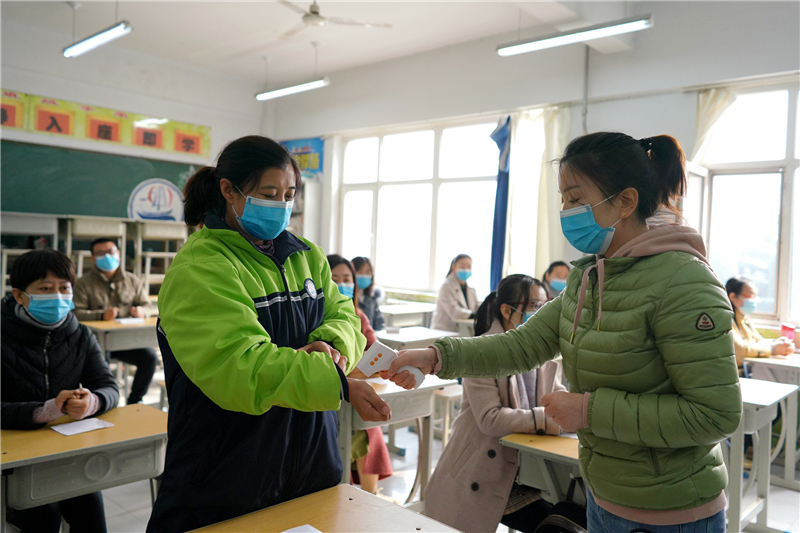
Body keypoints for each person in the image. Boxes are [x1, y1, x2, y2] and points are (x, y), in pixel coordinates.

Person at [387, 133, 742, 533]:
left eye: (575, 198)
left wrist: (587, 411)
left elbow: (715, 414)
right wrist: (437, 356)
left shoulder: (684, 282)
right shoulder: (589, 278)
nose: (566, 210)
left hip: (672, 511)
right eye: (563, 199)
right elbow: (519, 345)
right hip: (604, 497)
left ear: (625, 201)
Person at [146, 136, 391, 532]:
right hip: (226, 474)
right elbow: (241, 366)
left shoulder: (306, 255)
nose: (281, 204)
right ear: (229, 190)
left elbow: (345, 314)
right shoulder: (202, 267)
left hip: (312, 464)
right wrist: (337, 382)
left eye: (289, 193)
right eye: (268, 193)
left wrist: (331, 345)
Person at [425, 274, 564, 533]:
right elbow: (491, 418)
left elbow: (559, 397)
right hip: (483, 470)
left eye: (546, 306)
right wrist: (546, 418)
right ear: (506, 310)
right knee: (556, 524)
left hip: (527, 468)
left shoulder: (542, 353)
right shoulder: (483, 353)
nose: (541, 313)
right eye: (535, 306)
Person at [2, 249, 119, 533]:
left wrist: (92, 402)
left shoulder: (79, 334)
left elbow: (110, 387)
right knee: (43, 513)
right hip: (12, 461)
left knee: (91, 508)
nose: (57, 296)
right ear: (19, 295)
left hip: (65, 454)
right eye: (45, 288)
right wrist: (43, 411)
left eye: (64, 288)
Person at [328, 254, 393, 494]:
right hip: (328, 396)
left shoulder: (359, 316)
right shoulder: (317, 317)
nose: (342, 284)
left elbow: (377, 356)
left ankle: (370, 496)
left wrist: (355, 371)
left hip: (353, 393)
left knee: (369, 427)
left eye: (347, 279)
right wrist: (360, 370)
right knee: (365, 431)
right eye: (334, 278)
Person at [73, 238, 158, 405]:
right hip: (96, 343)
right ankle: (102, 402)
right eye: (100, 253)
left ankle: (135, 401)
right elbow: (75, 313)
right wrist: (101, 315)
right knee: (98, 365)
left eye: (111, 252)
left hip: (127, 341)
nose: (107, 256)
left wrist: (142, 311)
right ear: (93, 258)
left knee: (150, 357)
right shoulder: (83, 283)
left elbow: (147, 305)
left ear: (118, 254)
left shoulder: (133, 280)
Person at [726, 276, 794, 374]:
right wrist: (773, 348)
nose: (755, 300)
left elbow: (758, 340)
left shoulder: (744, 318)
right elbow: (739, 350)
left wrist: (776, 342)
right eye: (751, 296)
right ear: (733, 297)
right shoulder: (726, 319)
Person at [432, 254, 479, 332]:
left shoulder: (471, 290)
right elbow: (454, 311)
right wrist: (474, 315)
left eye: (469, 267)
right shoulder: (446, 286)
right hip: (444, 330)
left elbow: (477, 306)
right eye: (462, 267)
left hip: (462, 330)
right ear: (453, 267)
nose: (466, 270)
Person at [352, 256, 385, 331]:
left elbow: (379, 323)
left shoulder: (372, 298)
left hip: (370, 340)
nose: (364, 275)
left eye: (368, 272)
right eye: (360, 272)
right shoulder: (348, 297)